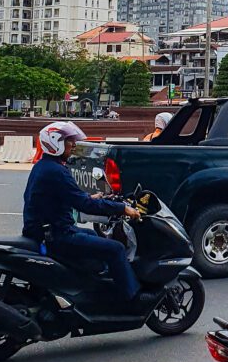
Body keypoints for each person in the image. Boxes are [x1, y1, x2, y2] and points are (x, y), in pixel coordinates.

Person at [22, 122, 152, 305]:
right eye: (69, 141)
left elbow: (65, 197)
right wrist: (122, 208)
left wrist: (91, 197)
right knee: (116, 249)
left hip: (46, 230)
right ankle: (132, 298)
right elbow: (84, 205)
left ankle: (93, 288)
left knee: (92, 234)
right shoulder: (56, 171)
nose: (74, 145)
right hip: (57, 235)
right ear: (55, 143)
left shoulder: (44, 167)